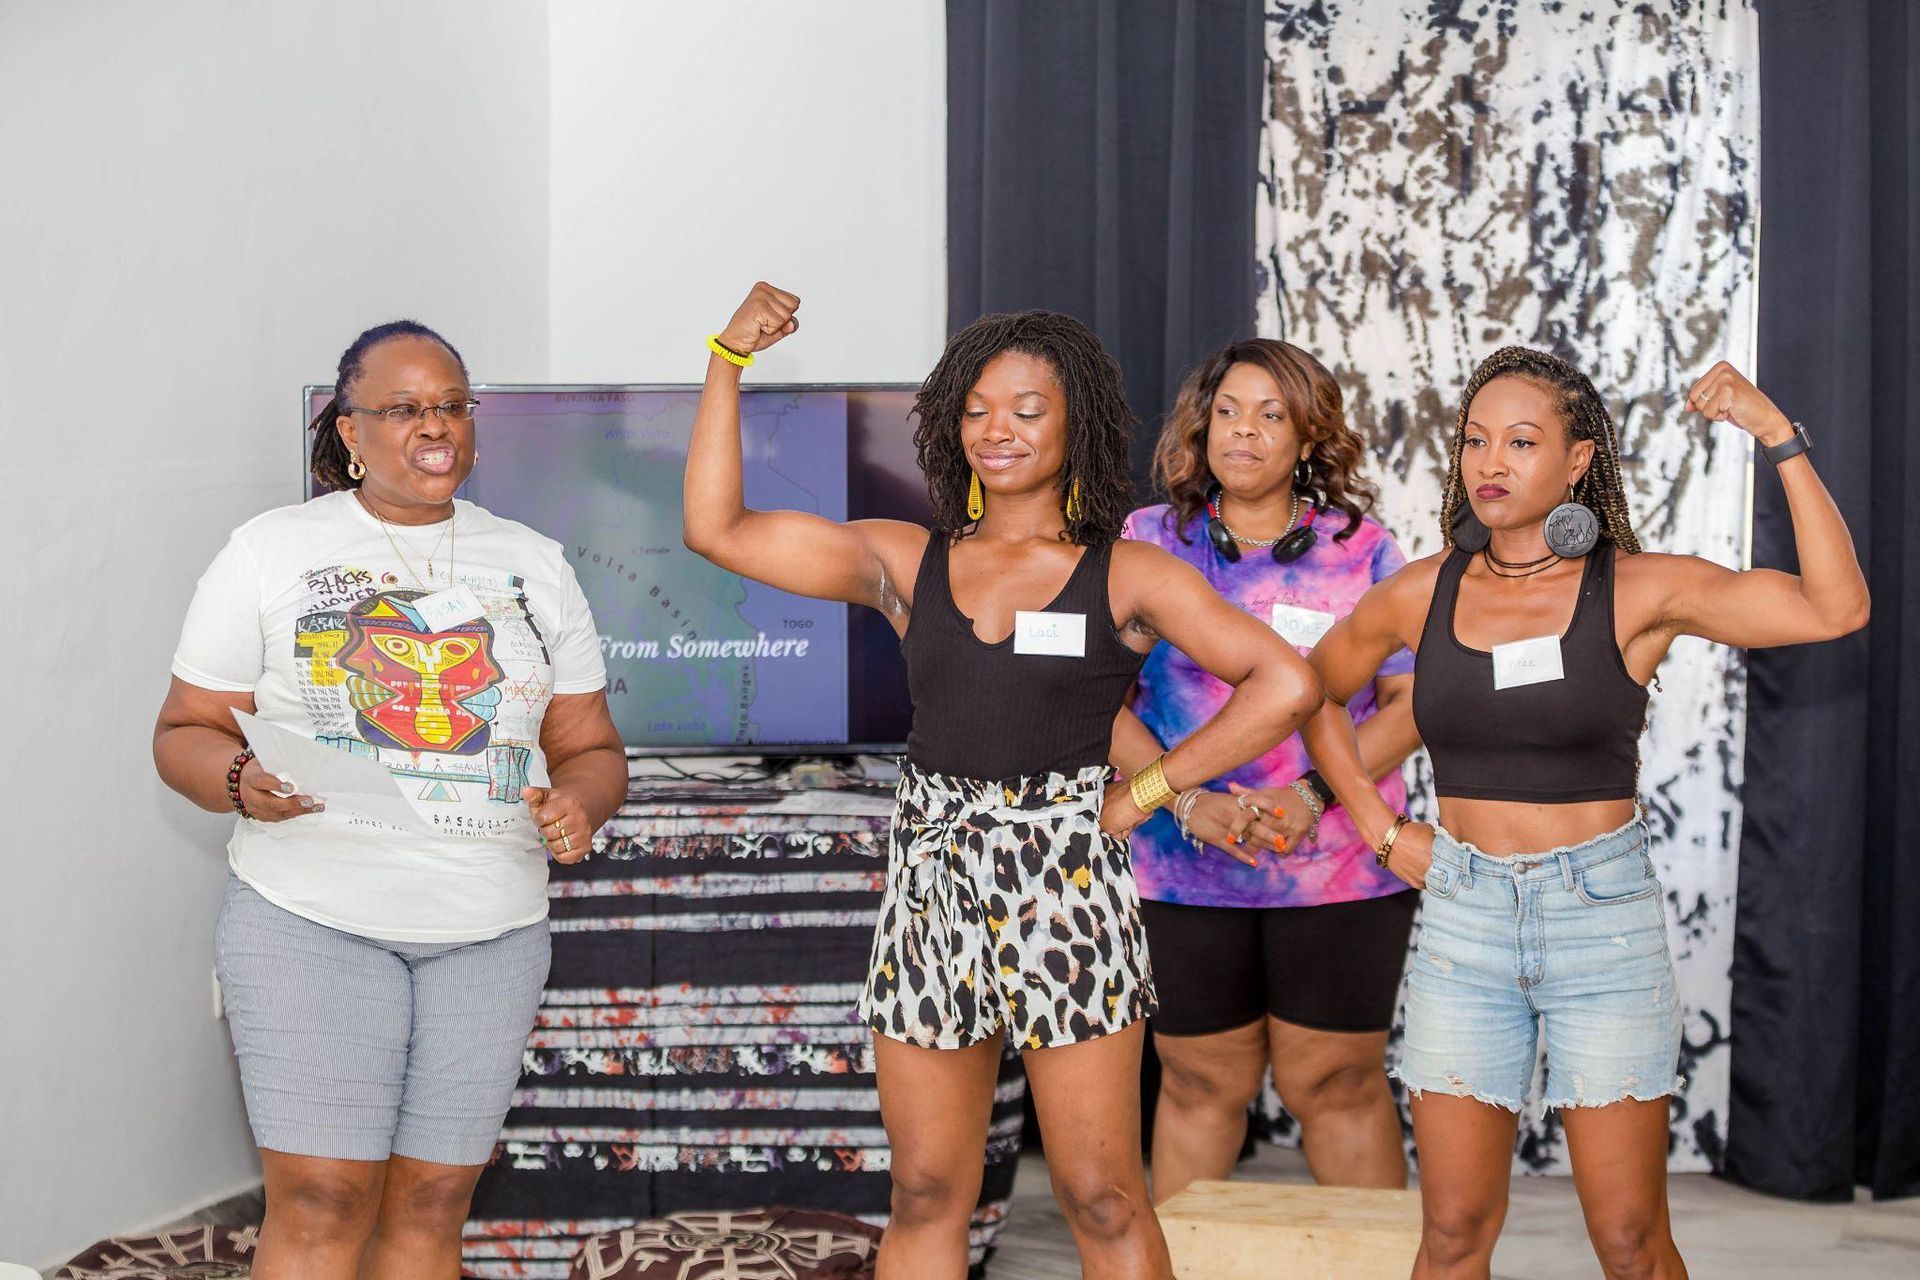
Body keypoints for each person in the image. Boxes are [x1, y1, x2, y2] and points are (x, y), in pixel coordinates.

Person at [682, 283, 1322, 1280]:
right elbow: (717, 528)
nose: (998, 430)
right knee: (927, 1190)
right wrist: (728, 357)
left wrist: (1148, 795)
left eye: (1027, 411)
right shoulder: (906, 558)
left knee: (1102, 1195)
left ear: (1076, 427)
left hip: (1065, 888)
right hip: (932, 884)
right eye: (978, 409)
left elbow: (1286, 681)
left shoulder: (1126, 574)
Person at [1302, 348, 1870, 1280]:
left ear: (1577, 462)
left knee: (1631, 1242)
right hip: (1462, 920)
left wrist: (1778, 436)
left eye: (1522, 442)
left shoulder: (1640, 588)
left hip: (1600, 925)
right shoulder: (1421, 590)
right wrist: (1375, 825)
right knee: (1448, 1237)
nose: (1491, 461)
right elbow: (1309, 691)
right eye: (1476, 440)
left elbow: (1834, 609)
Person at [153, 321, 627, 1280]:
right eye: (404, 409)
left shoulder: (534, 563)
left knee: (433, 1201)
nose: (435, 427)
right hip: (311, 918)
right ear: (347, 432)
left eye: (452, 406)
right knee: (323, 1198)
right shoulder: (271, 550)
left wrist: (580, 799)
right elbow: (184, 731)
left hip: (490, 930)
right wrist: (241, 781)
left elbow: (590, 746)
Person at [1113, 339, 1420, 1200]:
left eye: (1271, 414)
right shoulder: (1147, 542)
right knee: (1202, 1085)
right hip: (1184, 865)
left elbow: (1410, 707)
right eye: (1228, 411)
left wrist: (1315, 793)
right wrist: (1184, 799)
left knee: (1339, 1085)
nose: (1243, 431)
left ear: (1307, 437)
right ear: (1202, 427)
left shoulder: (1362, 550)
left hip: (1338, 868)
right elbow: (1097, 699)